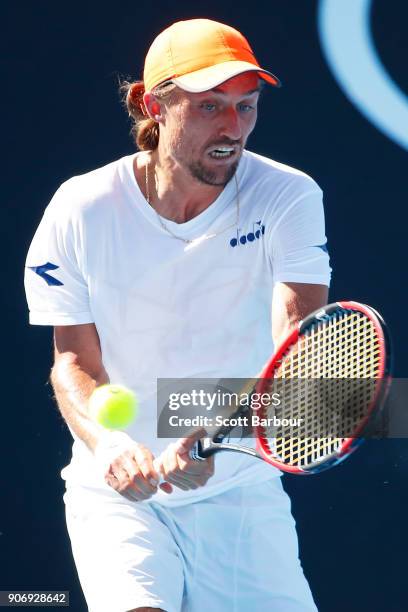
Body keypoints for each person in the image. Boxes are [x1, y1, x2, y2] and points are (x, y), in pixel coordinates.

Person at [24, 18, 330, 612]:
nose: (232, 128)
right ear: (151, 104)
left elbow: (296, 355)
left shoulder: (289, 196)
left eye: (246, 105)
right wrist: (111, 447)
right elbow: (72, 362)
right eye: (210, 105)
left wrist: (225, 439)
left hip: (242, 499)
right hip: (114, 496)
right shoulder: (81, 208)